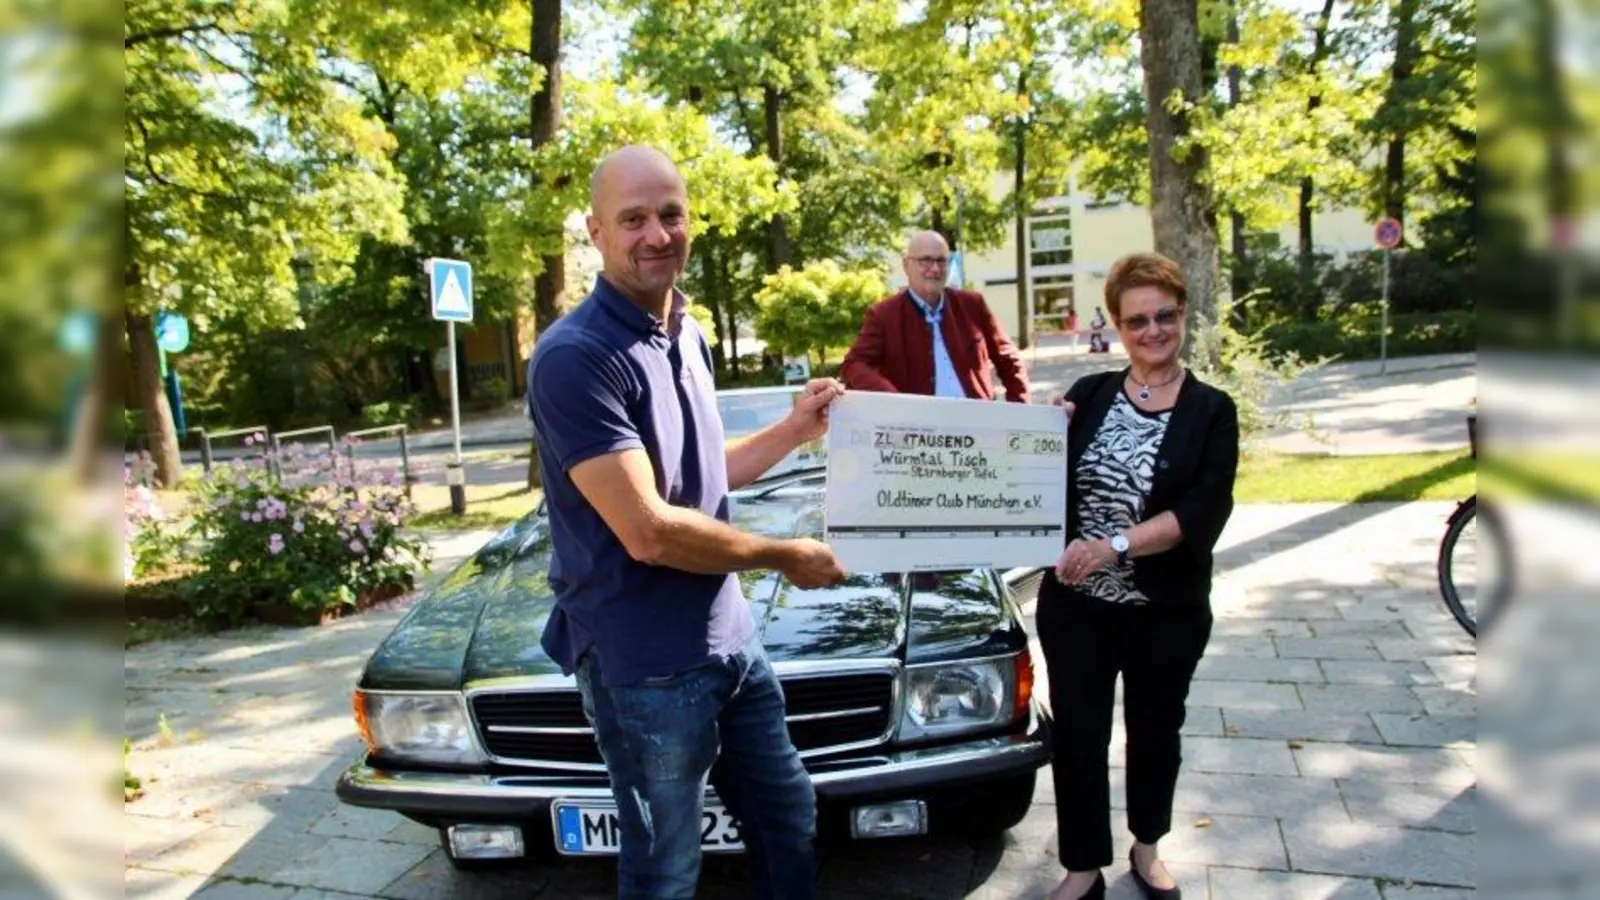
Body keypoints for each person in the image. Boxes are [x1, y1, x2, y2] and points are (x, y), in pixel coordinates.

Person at [526, 145, 848, 900]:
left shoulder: (686, 332)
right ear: (595, 231)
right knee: (666, 864)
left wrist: (793, 431)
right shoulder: (575, 357)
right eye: (633, 219)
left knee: (784, 816)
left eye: (670, 214)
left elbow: (702, 472)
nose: (656, 234)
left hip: (730, 640)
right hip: (643, 664)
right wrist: (782, 555)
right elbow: (649, 529)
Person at [1037, 252, 1240, 900]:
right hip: (1077, 607)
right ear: (1118, 328)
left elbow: (1201, 509)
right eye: (1137, 321)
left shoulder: (1212, 410)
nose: (1152, 331)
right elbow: (1032, 473)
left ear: (1183, 315)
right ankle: (1082, 865)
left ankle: (1147, 849)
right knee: (1078, 736)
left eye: (1165, 316)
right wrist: (1042, 430)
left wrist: (1114, 546)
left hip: (1166, 610)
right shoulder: (1090, 394)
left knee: (1156, 732)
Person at [840, 230, 1030, 402]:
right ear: (906, 265)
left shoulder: (972, 305)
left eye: (941, 261)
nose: (935, 269)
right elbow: (853, 364)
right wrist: (890, 397)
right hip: (919, 429)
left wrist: (1019, 409)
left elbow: (1009, 359)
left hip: (977, 423)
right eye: (926, 260)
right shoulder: (883, 315)